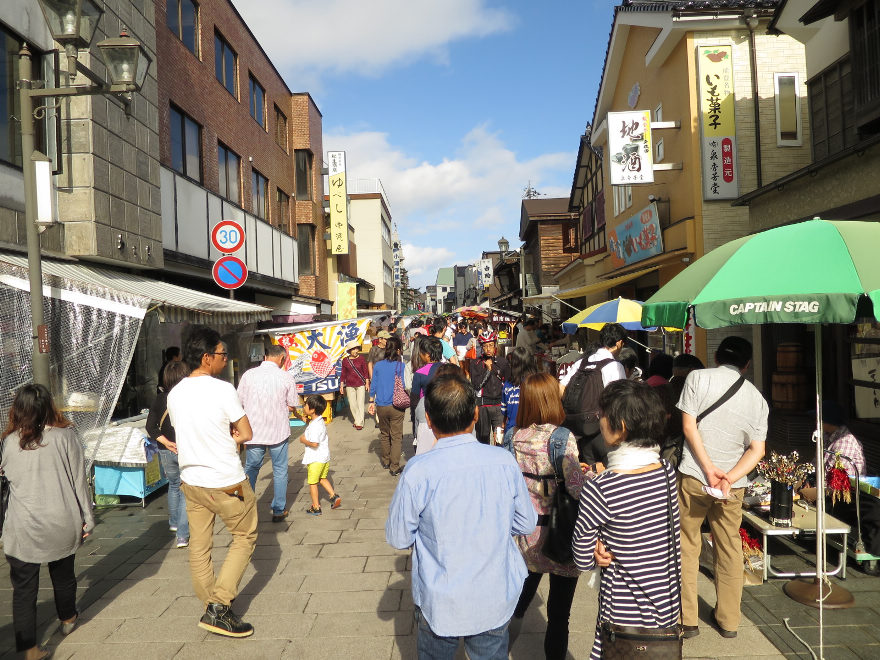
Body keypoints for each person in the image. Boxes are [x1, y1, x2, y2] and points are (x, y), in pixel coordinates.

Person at [386, 372, 537, 659]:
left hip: (440, 600)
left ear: (428, 419)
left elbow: (398, 536)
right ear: (476, 414)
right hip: (494, 594)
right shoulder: (504, 462)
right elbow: (525, 522)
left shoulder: (418, 471)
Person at [572, 380, 681, 660]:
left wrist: (598, 548)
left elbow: (582, 559)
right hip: (665, 609)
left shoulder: (601, 488)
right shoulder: (666, 472)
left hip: (621, 618)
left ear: (620, 425)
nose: (600, 420)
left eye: (602, 415)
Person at [167, 325, 257, 638]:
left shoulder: (175, 393)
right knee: (245, 536)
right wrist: (232, 435)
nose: (225, 359)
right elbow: (246, 433)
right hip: (226, 480)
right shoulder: (222, 390)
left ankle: (211, 606)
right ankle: (219, 607)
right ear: (206, 358)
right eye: (222, 354)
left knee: (200, 546)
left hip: (192, 481)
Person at [676, 336, 767, 639]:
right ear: (747, 363)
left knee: (686, 544)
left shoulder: (696, 378)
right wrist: (727, 476)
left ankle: (687, 618)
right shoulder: (757, 399)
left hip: (693, 476)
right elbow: (757, 450)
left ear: (716, 356)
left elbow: (689, 427)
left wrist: (708, 469)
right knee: (729, 548)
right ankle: (729, 621)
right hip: (733, 487)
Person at [1, 384, 95, 660]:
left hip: (22, 527)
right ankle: (67, 618)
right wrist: (87, 519)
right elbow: (79, 481)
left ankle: (29, 648)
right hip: (61, 520)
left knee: (23, 590)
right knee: (63, 574)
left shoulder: (8, 442)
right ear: (49, 406)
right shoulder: (66, 437)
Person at [506, 373, 590, 659]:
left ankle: (499, 650)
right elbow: (577, 489)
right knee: (558, 615)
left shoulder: (513, 436)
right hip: (560, 535)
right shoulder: (562, 438)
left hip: (524, 537)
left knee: (517, 605)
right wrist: (587, 474)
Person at [238, 344, 300, 523]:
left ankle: (245, 508)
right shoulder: (285, 376)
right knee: (280, 470)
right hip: (277, 431)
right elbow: (292, 404)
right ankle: (278, 510)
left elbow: (239, 401)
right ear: (282, 359)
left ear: (265, 357)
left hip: (253, 431)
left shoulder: (249, 375)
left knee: (251, 468)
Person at [559, 323, 628, 468]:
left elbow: (560, 388)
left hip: (577, 429)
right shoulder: (614, 366)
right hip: (602, 431)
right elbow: (619, 400)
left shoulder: (580, 363)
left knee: (587, 473)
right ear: (619, 343)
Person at [146, 360, 192, 548]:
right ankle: (182, 534)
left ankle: (174, 523)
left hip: (165, 450)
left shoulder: (159, 399)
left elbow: (150, 426)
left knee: (173, 485)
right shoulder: (187, 397)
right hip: (184, 449)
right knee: (186, 489)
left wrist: (165, 441)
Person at [368, 335, 408, 476]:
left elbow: (373, 385)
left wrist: (371, 401)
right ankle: (394, 466)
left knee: (384, 434)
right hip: (397, 405)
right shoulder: (401, 366)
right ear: (398, 350)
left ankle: (385, 460)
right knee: (396, 436)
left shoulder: (378, 366)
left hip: (381, 405)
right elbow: (405, 385)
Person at [300, 395, 342, 515]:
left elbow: (314, 444)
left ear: (312, 410)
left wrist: (303, 440)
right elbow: (308, 421)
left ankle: (316, 507)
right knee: (322, 479)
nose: (304, 406)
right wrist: (297, 415)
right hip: (324, 458)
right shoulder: (318, 421)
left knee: (313, 483)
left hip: (315, 459)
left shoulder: (315, 426)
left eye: (306, 405)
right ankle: (334, 496)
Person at [468, 331, 512, 444]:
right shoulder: (475, 363)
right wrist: (487, 370)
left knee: (500, 440)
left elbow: (508, 384)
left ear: (495, 345)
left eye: (491, 345)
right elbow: (476, 385)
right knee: (483, 440)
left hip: (499, 406)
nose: (488, 349)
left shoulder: (503, 362)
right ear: (482, 347)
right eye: (485, 346)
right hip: (483, 406)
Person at [821, 400, 866, 478]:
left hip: (847, 488)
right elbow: (816, 463)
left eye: (819, 420)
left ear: (829, 421)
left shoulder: (844, 441)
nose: (815, 422)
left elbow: (832, 474)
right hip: (828, 483)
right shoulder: (826, 435)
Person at [501, 346, 538, 433]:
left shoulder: (507, 385)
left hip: (511, 431)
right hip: (532, 432)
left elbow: (504, 412)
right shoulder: (535, 383)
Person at [340, 339, 369, 430]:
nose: (355, 351)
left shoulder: (361, 359)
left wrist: (367, 382)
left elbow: (365, 371)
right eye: (353, 349)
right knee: (352, 404)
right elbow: (343, 373)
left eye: (356, 349)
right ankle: (357, 420)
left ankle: (359, 422)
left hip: (360, 383)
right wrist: (341, 385)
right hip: (349, 384)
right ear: (349, 351)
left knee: (360, 403)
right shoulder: (345, 360)